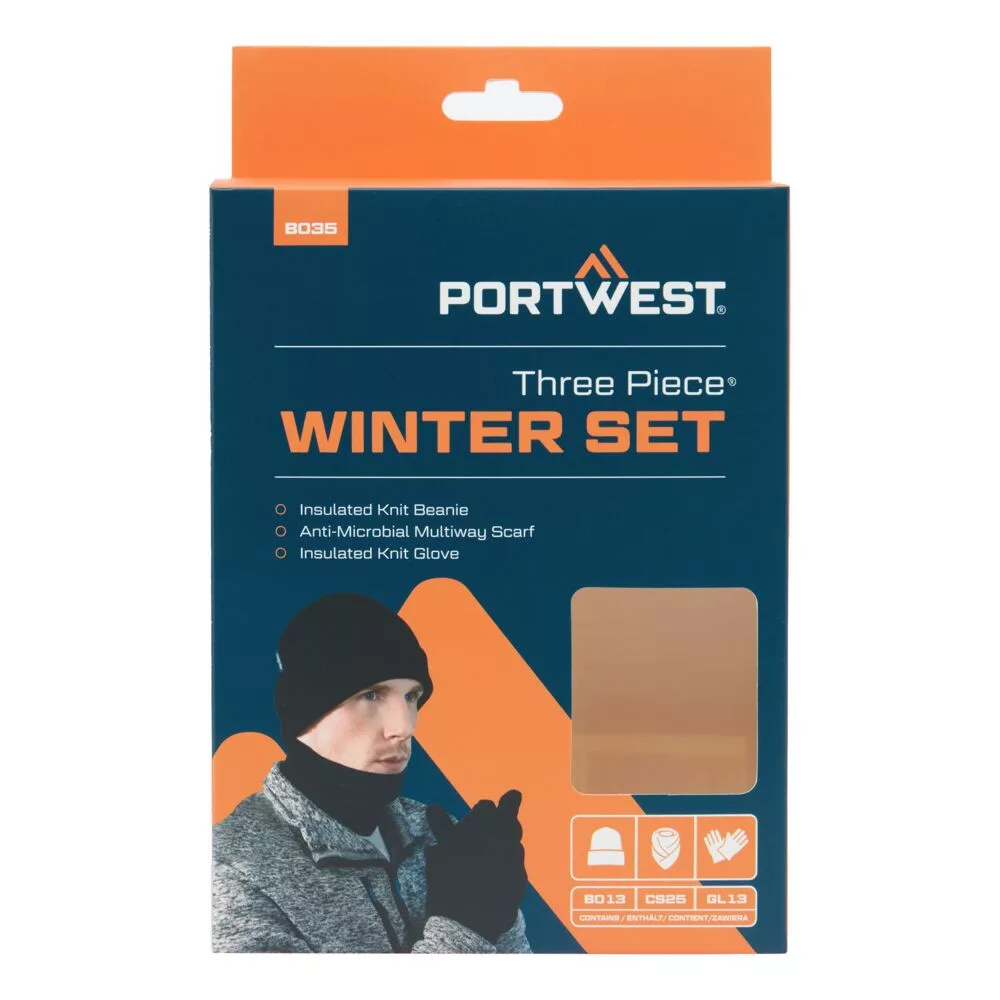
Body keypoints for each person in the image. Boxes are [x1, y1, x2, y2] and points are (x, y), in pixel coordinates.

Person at [212, 593, 531, 953]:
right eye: (372, 695)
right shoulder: (232, 872)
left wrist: (501, 915)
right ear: (305, 711)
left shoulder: (435, 833)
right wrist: (466, 926)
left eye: (411, 696)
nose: (404, 727)